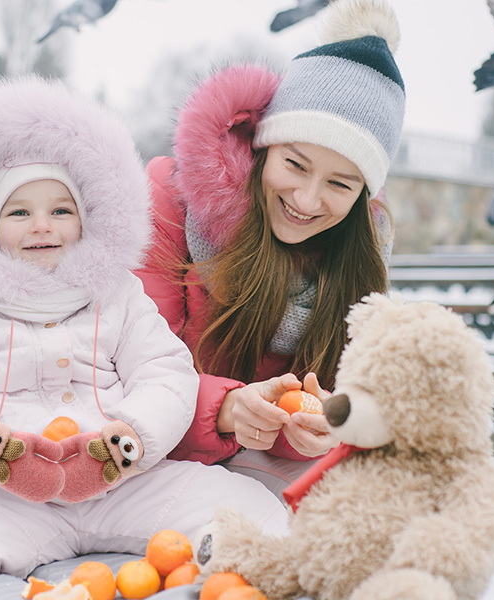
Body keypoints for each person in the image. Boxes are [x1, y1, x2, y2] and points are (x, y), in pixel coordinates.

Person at [0, 76, 288, 599]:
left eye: (61, 210)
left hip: (125, 483)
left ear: (84, 219)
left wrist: (130, 438)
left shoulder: (115, 295)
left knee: (250, 509)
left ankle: (228, 577)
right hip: (5, 499)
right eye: (19, 212)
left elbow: (165, 372)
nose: (42, 225)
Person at [135, 0, 405, 488]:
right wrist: (224, 410)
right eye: (295, 165)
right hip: (144, 466)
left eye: (339, 184)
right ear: (263, 147)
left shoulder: (358, 260)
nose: (306, 200)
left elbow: (336, 397)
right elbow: (129, 371)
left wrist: (313, 428)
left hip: (255, 478)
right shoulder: (172, 201)